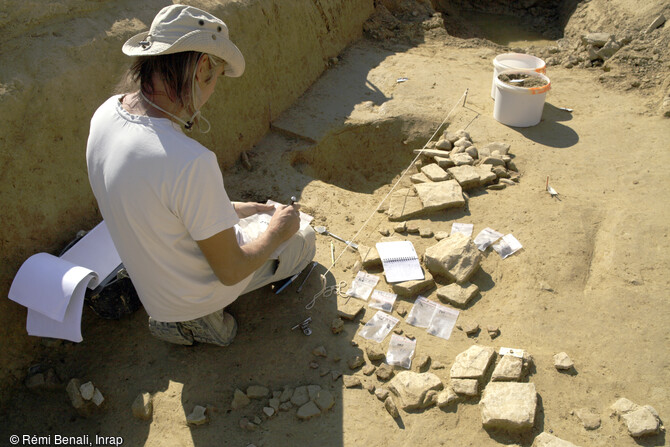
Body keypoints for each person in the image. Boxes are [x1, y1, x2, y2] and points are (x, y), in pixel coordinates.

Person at [86, 4, 316, 346]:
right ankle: (198, 319)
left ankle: (181, 315)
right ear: (203, 67)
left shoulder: (106, 112)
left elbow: (164, 206)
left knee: (257, 222)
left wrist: (240, 208)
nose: (212, 92)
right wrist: (279, 231)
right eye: (217, 77)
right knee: (304, 239)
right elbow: (232, 270)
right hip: (188, 298)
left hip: (153, 286)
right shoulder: (190, 161)